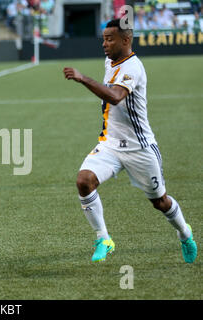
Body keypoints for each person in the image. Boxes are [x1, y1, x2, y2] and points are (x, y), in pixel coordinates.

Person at [63, 19, 197, 263]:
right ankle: (103, 238)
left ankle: (185, 234)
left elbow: (115, 96)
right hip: (110, 144)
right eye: (103, 39)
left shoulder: (133, 68)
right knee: (84, 181)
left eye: (110, 39)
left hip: (140, 148)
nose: (104, 44)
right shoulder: (110, 60)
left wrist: (84, 79)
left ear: (126, 40)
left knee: (160, 202)